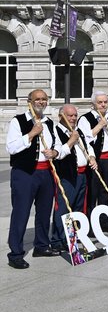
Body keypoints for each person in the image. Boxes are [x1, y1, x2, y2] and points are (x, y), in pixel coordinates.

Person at [6, 89, 62, 269]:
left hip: (46, 172)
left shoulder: (50, 123)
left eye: (44, 99)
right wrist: (31, 134)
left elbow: (58, 146)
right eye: (37, 99)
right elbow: (11, 147)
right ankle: (15, 253)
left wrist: (54, 152)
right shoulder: (18, 120)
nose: (41, 102)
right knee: (21, 212)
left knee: (45, 212)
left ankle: (41, 246)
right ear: (29, 101)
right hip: (25, 173)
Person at [51, 104, 97, 252]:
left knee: (78, 207)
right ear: (61, 116)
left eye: (75, 115)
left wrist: (92, 157)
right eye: (70, 115)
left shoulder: (79, 131)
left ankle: (72, 237)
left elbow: (88, 146)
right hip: (67, 175)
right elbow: (59, 153)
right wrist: (71, 140)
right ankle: (58, 239)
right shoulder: (56, 131)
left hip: (82, 174)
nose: (73, 118)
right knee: (63, 207)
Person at [78, 91, 108, 216]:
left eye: (105, 102)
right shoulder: (85, 119)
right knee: (93, 192)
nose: (103, 105)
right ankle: (91, 221)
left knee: (106, 192)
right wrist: (99, 126)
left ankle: (104, 220)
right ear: (93, 104)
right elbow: (84, 138)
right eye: (100, 102)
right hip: (95, 160)